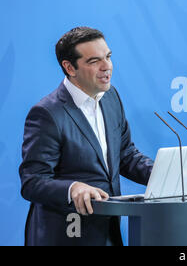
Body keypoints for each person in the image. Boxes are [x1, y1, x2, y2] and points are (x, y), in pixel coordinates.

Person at [19, 27, 154, 246]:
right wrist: (73, 188)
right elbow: (33, 181)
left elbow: (125, 155)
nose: (106, 67)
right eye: (94, 61)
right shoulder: (46, 113)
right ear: (70, 67)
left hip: (107, 231)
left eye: (108, 57)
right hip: (66, 235)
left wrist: (166, 175)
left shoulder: (111, 97)